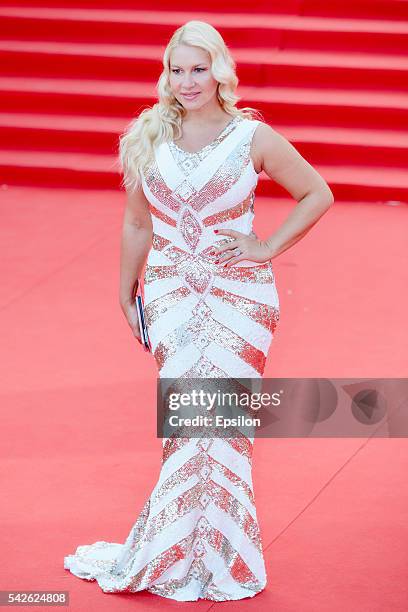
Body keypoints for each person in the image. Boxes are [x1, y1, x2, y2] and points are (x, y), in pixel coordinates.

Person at [64, 20, 334, 602]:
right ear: (166, 74)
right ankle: (172, 551)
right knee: (188, 425)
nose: (187, 81)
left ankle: (226, 559)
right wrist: (124, 286)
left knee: (226, 430)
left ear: (220, 71)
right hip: (170, 293)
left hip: (241, 298)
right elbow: (138, 221)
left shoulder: (251, 138)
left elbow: (317, 192)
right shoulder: (147, 135)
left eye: (199, 68)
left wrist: (266, 247)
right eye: (176, 69)